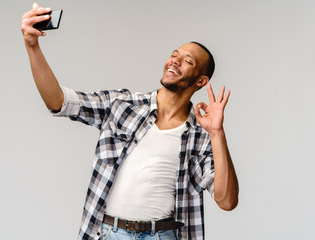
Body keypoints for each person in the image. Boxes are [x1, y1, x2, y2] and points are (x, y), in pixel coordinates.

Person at [21, 3, 239, 240]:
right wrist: (32, 47)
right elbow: (60, 101)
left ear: (201, 80)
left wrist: (217, 132)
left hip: (163, 235)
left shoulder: (200, 134)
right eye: (174, 55)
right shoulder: (123, 104)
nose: (174, 61)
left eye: (188, 61)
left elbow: (226, 201)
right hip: (110, 233)